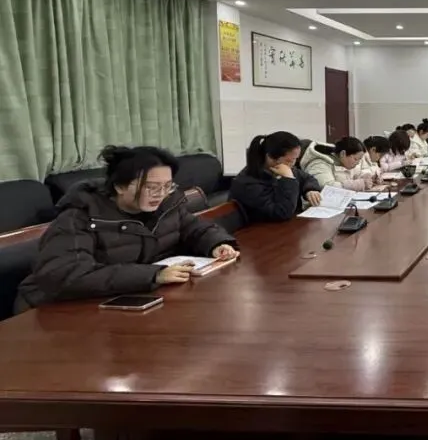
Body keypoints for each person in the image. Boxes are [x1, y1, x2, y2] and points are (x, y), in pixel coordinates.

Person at [16, 146, 238, 310]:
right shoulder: (79, 216)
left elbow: (194, 228)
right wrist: (154, 275)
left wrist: (217, 243)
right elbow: (67, 274)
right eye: (151, 187)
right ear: (120, 186)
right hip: (54, 310)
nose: (160, 194)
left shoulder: (168, 203)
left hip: (122, 300)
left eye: (167, 186)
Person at [230, 132, 323, 222]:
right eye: (289, 160)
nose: (293, 164)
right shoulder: (248, 183)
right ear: (270, 157)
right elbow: (282, 212)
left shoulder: (284, 168)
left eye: (295, 159)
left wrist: (310, 190)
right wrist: (289, 179)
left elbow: (307, 178)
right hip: (260, 229)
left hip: (288, 225)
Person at [299, 137, 369, 190]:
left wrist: (365, 177)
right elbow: (326, 187)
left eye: (360, 159)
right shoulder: (319, 164)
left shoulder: (342, 162)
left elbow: (357, 173)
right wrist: (357, 184)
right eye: (355, 159)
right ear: (343, 153)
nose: (358, 163)